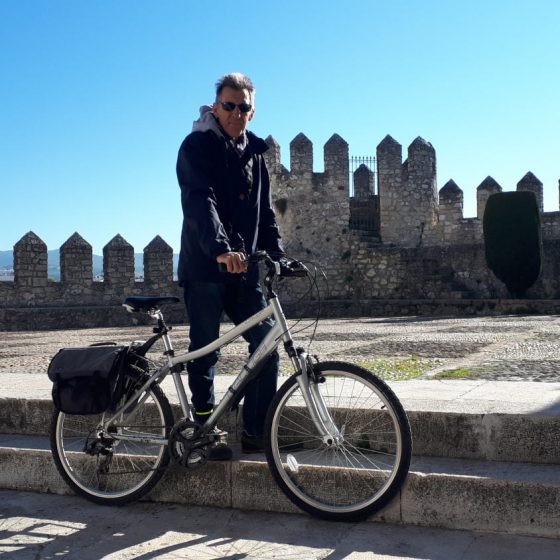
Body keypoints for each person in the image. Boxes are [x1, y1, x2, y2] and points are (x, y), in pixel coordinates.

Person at [176, 73, 284, 460]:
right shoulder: (196, 146)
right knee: (205, 351)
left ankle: (257, 431)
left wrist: (279, 255)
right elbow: (199, 199)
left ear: (252, 113)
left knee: (267, 344)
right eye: (230, 106)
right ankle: (204, 431)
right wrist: (220, 249)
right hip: (206, 267)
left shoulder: (256, 153)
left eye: (244, 107)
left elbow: (265, 213)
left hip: (245, 271)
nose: (237, 113)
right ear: (216, 107)